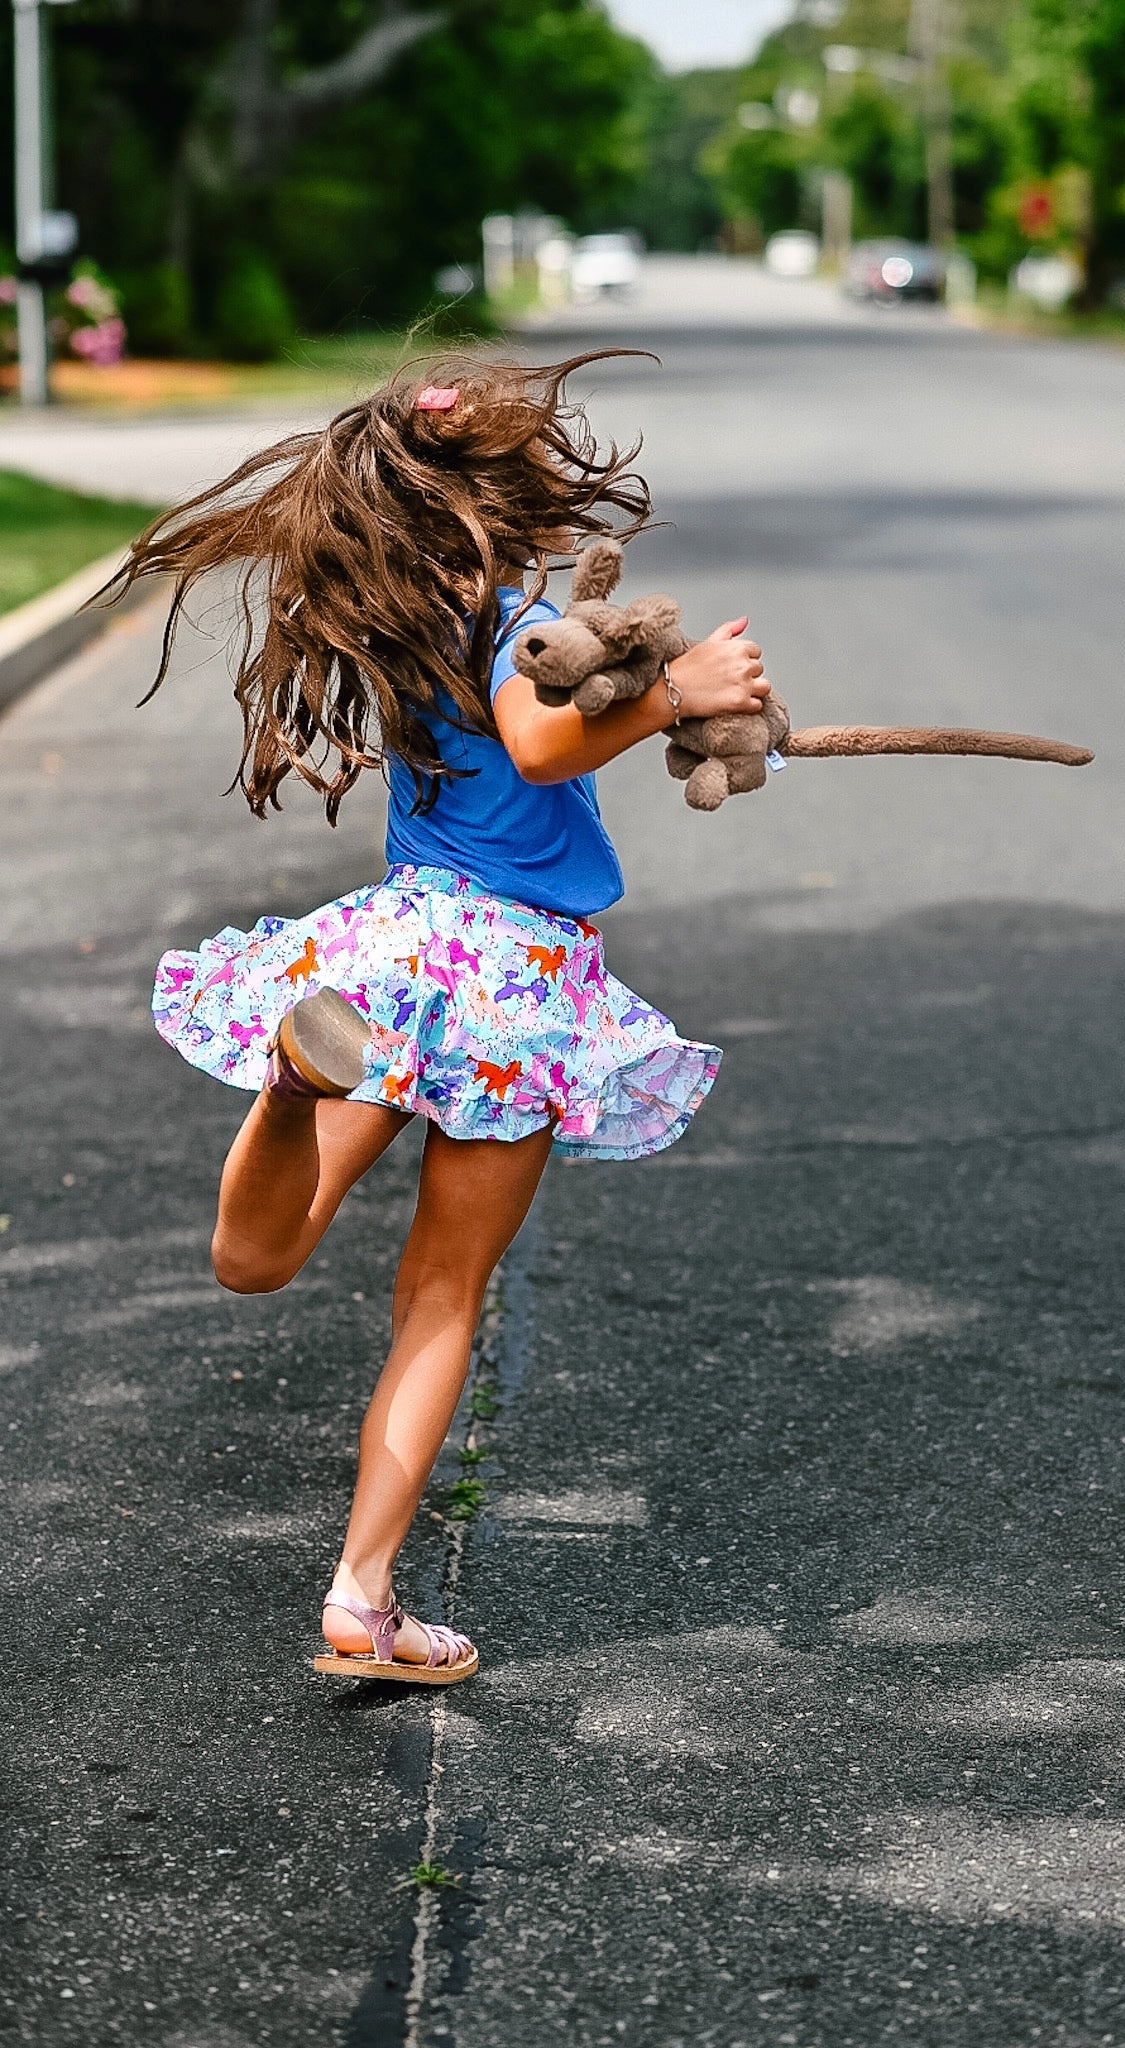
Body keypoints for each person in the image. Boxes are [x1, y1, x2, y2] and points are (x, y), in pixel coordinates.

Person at [115, 353, 767, 1684]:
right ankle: (362, 1600)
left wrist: (642, 706)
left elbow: (524, 733)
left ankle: (295, 1088)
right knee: (440, 1293)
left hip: (400, 956)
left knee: (261, 1260)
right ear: (501, 485)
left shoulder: (410, 614)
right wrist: (675, 697)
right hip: (516, 984)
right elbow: (536, 744)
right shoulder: (514, 614)